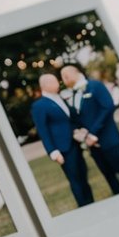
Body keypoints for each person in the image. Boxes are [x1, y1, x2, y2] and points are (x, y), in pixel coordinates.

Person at [60, 64, 119, 196]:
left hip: (108, 138)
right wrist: (80, 133)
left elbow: (107, 108)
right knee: (108, 174)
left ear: (75, 72)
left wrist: (93, 133)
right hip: (92, 145)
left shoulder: (95, 86)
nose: (64, 80)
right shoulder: (71, 95)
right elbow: (75, 118)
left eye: (65, 76)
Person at [31, 73, 93, 208]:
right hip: (63, 147)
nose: (58, 84)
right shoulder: (39, 105)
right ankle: (84, 206)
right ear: (45, 85)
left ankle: (91, 202)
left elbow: (68, 119)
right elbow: (43, 130)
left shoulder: (60, 98)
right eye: (54, 82)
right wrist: (53, 151)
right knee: (74, 178)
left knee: (83, 173)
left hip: (75, 143)